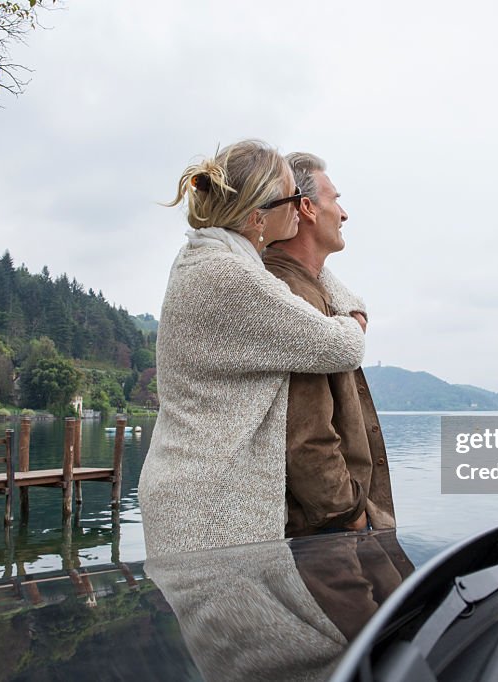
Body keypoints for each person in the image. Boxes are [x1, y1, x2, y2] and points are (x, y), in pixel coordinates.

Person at [138, 140, 367, 555]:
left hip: (195, 490)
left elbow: (310, 283)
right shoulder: (230, 279)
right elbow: (341, 347)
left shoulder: (205, 256)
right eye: (293, 198)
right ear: (259, 216)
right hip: (210, 508)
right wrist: (354, 317)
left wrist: (346, 302)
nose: (301, 207)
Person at [263, 152, 396, 537]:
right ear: (306, 207)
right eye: (335, 199)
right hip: (326, 532)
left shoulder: (312, 290)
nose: (344, 214)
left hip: (332, 524)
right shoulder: (291, 298)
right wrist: (349, 514)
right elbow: (306, 436)